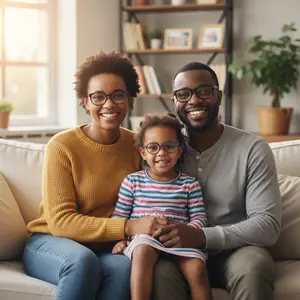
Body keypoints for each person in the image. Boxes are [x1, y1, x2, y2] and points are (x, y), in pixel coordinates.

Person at [22, 52, 171, 300]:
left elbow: (144, 200)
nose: (109, 104)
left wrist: (131, 237)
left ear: (129, 98)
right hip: (50, 241)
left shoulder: (138, 145)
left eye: (117, 95)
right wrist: (128, 227)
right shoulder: (62, 146)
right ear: (85, 102)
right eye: (98, 97)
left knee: (125, 268)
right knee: (82, 261)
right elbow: (61, 222)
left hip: (105, 247)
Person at [151, 62, 281, 300]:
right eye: (183, 93)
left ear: (218, 96)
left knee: (254, 266)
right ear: (174, 102)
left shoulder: (252, 149)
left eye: (204, 91)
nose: (194, 100)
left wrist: (201, 236)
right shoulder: (163, 149)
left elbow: (267, 225)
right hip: (178, 252)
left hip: (236, 251)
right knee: (159, 272)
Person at [112, 113, 212, 300]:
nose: (162, 153)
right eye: (153, 147)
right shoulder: (133, 181)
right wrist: (119, 239)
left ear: (180, 150)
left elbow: (200, 218)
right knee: (142, 253)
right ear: (143, 152)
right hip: (145, 239)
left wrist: (186, 230)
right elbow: (119, 216)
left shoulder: (189, 184)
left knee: (197, 269)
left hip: (179, 241)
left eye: (169, 146)